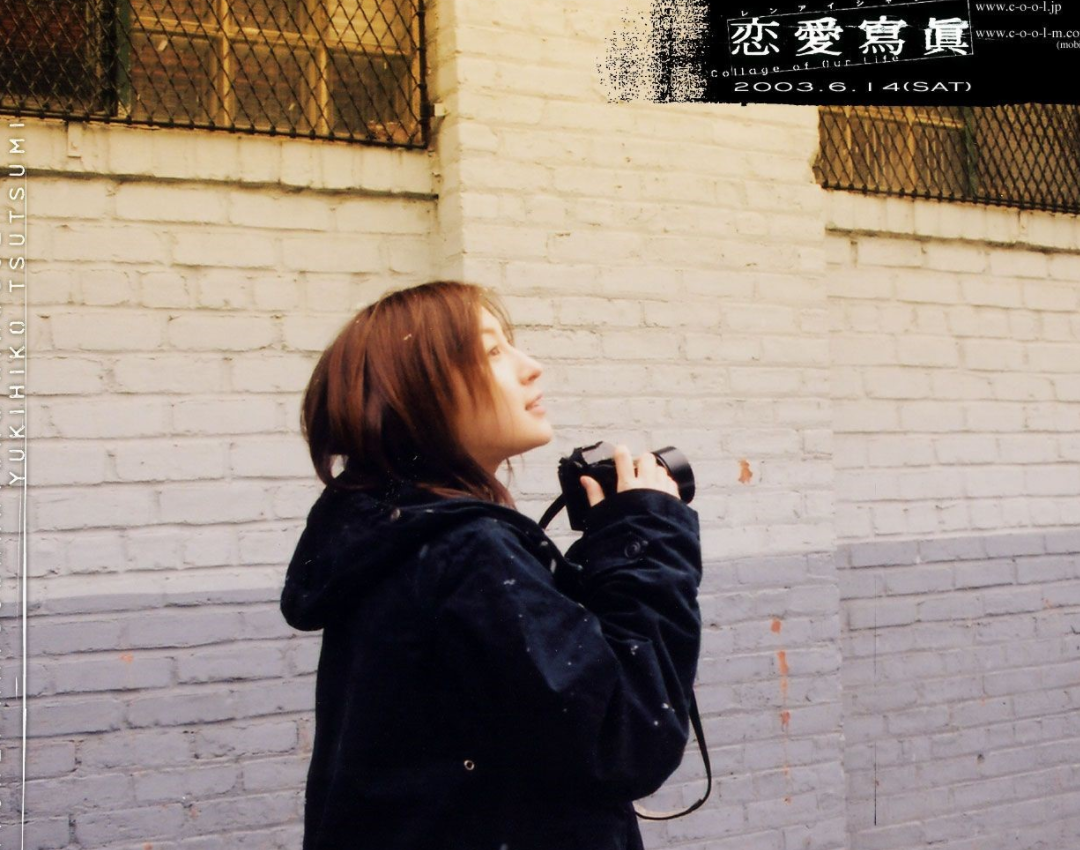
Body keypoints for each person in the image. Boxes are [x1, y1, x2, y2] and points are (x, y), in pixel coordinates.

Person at [280, 280, 703, 850]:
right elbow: (625, 738)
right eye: (493, 351)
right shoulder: (467, 552)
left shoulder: (394, 539)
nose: (531, 367)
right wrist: (650, 542)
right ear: (417, 393)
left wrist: (608, 553)